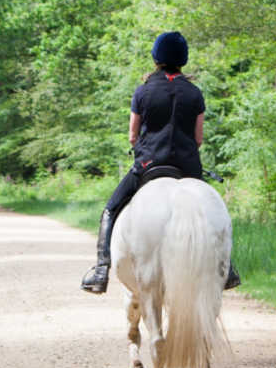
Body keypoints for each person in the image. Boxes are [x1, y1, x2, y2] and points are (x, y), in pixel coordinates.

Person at [81, 31, 241, 294]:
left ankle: (100, 270)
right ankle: (227, 267)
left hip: (148, 165)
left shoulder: (143, 91)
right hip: (187, 168)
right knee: (211, 210)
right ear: (183, 60)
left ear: (156, 58)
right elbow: (198, 138)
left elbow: (133, 135)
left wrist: (145, 148)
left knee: (110, 209)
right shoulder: (194, 93)